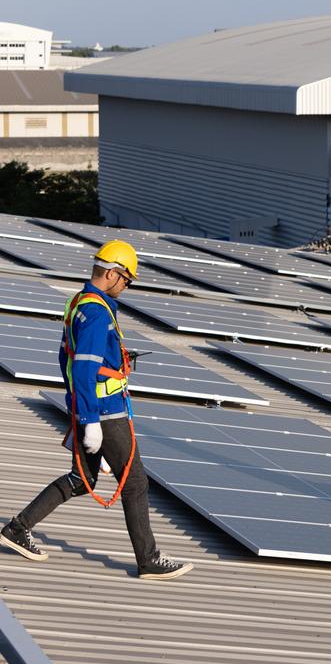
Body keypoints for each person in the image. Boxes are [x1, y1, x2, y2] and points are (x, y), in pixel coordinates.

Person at [0, 240, 193, 580]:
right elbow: (85, 369)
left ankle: (18, 529)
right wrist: (91, 421)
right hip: (105, 412)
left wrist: (77, 404)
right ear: (112, 273)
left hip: (90, 407)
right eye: (127, 279)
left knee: (81, 479)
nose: (127, 286)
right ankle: (148, 560)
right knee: (135, 483)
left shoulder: (79, 303)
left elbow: (66, 360)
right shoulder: (98, 313)